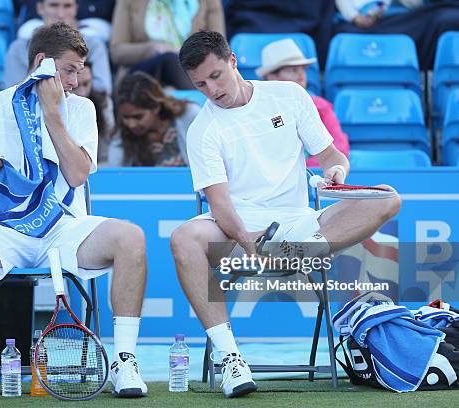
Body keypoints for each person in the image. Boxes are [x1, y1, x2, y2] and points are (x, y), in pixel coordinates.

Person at [171, 30, 401, 398]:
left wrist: (336, 173)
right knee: (183, 238)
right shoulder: (202, 130)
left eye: (216, 76)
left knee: (387, 198)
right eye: (200, 84)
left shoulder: (289, 95)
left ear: (233, 61)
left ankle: (306, 249)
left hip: (300, 224)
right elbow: (221, 207)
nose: (211, 90)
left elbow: (332, 157)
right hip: (240, 229)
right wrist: (250, 245)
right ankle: (230, 359)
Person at [0, 23, 148, 401]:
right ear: (41, 63)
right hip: (1, 230)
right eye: (69, 69)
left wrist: (53, 116)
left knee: (131, 237)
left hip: (64, 228)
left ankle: (124, 361)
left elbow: (78, 174)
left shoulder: (80, 109)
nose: (77, 79)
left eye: (81, 69)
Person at [257, 38, 349, 168]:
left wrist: (295, 169)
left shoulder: (320, 107)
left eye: (303, 69)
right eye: (293, 70)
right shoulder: (258, 111)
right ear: (272, 77)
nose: (301, 75)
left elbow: (340, 149)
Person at [4, 0, 112, 97]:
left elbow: (103, 89)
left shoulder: (94, 45)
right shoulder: (18, 49)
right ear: (40, 8)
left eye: (67, 6)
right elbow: (12, 92)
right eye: (54, 5)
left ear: (76, 9)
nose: (60, 14)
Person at [110, 0, 225, 89]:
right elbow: (117, 51)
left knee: (176, 65)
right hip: (143, 73)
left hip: (191, 69)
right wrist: (154, 48)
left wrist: (186, 53)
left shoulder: (208, 2)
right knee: (169, 60)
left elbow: (218, 47)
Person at [334, 0, 459, 70]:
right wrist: (354, 17)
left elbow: (415, 4)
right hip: (356, 20)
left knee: (445, 19)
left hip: (398, 17)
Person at [108, 72, 199, 166]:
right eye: (125, 117)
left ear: (156, 107)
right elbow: (116, 171)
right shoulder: (122, 133)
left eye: (138, 117)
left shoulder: (189, 115)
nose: (131, 124)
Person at [73, 60, 114, 164]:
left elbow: (105, 153)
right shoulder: (53, 106)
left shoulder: (104, 104)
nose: (82, 92)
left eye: (86, 84)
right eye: (76, 86)